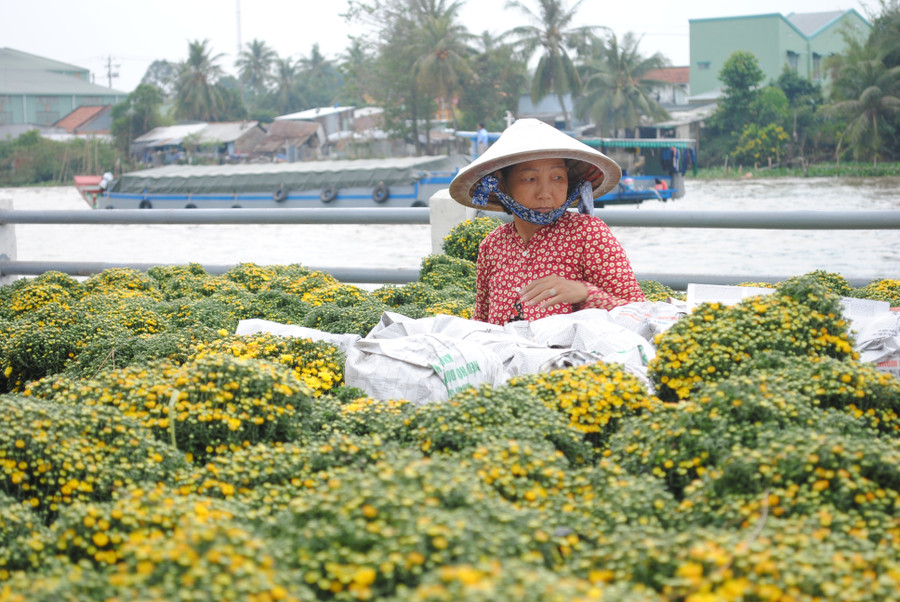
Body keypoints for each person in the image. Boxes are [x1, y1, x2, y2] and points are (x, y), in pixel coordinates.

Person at [448, 118, 647, 326]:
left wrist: (584, 293)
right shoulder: (492, 246)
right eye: (530, 179)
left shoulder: (589, 234)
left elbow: (638, 313)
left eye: (557, 178)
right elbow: (481, 323)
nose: (545, 193)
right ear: (502, 184)